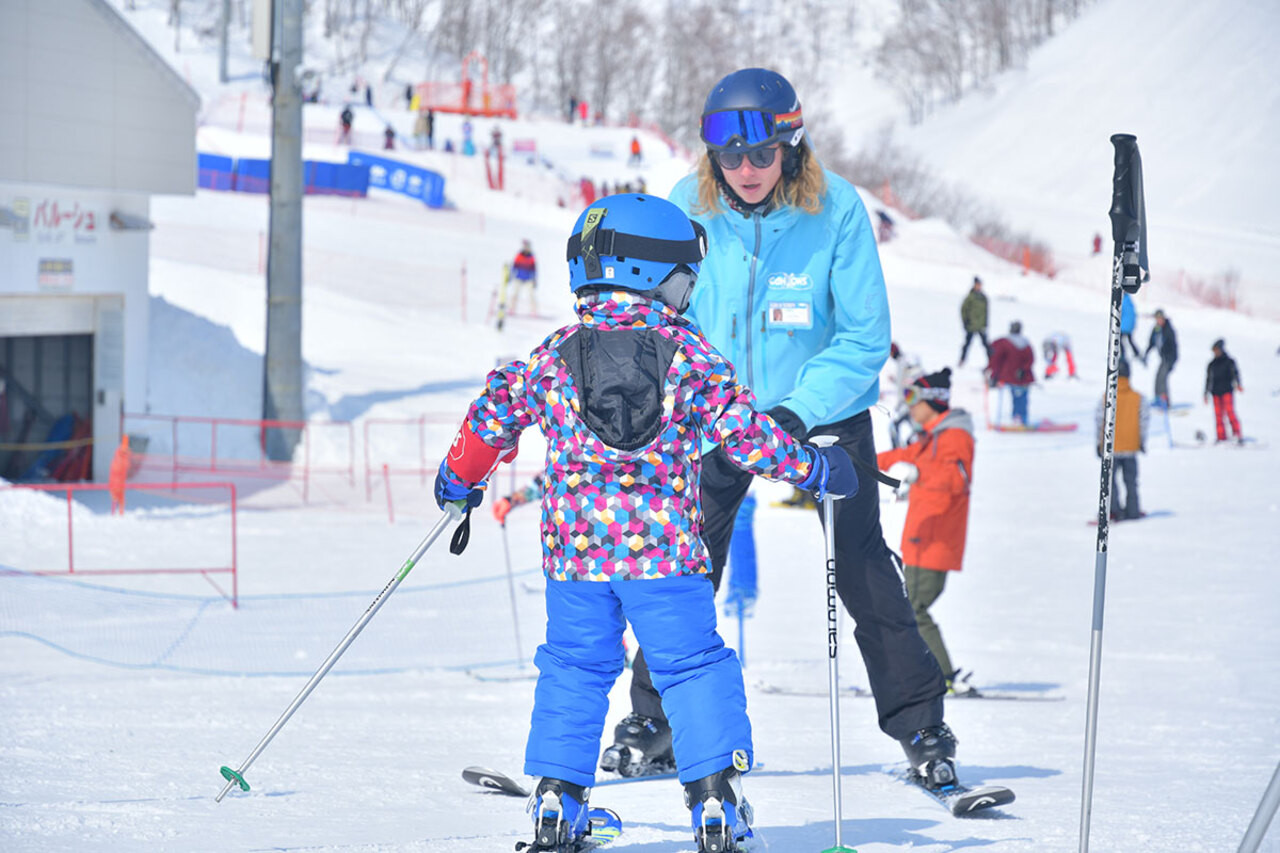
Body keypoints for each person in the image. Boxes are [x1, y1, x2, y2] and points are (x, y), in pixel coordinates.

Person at [432, 193, 856, 853]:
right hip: (665, 557)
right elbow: (745, 435)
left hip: (575, 558)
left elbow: (495, 409)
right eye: (684, 277)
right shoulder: (687, 353)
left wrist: (460, 477)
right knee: (691, 667)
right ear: (646, 270)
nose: (688, 294)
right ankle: (715, 803)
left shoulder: (554, 353)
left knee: (573, 666)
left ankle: (557, 802)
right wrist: (816, 469)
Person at [602, 67, 961, 795]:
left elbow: (865, 336)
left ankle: (922, 726)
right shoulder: (685, 207)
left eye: (762, 155)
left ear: (791, 147)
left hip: (820, 414)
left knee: (862, 567)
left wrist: (794, 413)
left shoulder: (836, 211)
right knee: (684, 566)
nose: (746, 170)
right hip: (715, 413)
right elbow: (663, 319)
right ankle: (655, 720)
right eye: (731, 157)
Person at [875, 368, 975, 691]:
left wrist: (918, 474)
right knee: (908, 608)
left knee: (913, 609)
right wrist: (855, 459)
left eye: (913, 398)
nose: (910, 406)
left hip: (936, 539)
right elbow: (898, 458)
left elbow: (956, 479)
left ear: (934, 401)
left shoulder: (955, 437)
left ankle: (943, 676)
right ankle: (925, 674)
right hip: (919, 537)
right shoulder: (930, 438)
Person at [1096, 359, 1148, 519]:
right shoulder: (1138, 397)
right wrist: (1141, 441)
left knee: (1110, 482)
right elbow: (1143, 421)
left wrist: (1099, 443)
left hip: (1112, 447)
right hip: (1131, 447)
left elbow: (1099, 421)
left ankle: (1113, 511)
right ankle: (1133, 510)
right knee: (1131, 481)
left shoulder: (1107, 396)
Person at [987, 321, 1035, 425]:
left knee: (997, 397)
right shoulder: (1026, 343)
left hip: (1006, 375)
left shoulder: (1002, 342)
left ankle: (996, 420)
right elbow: (1030, 359)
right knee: (1021, 399)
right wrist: (1024, 369)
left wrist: (993, 374)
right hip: (1022, 377)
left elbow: (995, 359)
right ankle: (1021, 418)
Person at [1204, 338, 1244, 443]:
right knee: (1218, 416)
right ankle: (1221, 437)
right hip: (1215, 393)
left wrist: (1238, 384)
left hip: (1227, 391)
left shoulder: (1229, 362)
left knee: (1230, 412)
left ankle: (1237, 434)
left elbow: (1235, 374)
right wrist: (1206, 393)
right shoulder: (1211, 364)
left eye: (1217, 350)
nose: (1215, 353)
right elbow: (1208, 379)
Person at [1144, 309, 1178, 408]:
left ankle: (1165, 402)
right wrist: (1146, 353)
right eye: (1157, 319)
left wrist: (1171, 360)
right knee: (1158, 377)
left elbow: (1172, 346)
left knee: (1162, 378)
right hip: (1163, 358)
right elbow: (1152, 342)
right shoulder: (1156, 329)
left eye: (1160, 318)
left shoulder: (1168, 329)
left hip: (1170, 358)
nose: (1158, 320)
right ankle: (1158, 399)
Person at [958, 276, 989, 367]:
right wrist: (965, 322)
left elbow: (985, 312)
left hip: (980, 325)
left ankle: (992, 362)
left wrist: (985, 323)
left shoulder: (983, 298)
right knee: (967, 344)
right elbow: (964, 310)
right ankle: (962, 360)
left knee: (986, 345)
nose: (979, 286)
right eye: (977, 285)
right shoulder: (970, 297)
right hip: (971, 325)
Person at [509, 239, 538, 316]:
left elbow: (534, 269)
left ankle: (534, 311)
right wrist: (510, 276)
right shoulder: (519, 255)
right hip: (519, 277)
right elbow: (514, 267)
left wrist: (534, 279)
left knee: (531, 295)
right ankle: (511, 309)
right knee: (515, 294)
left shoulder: (531, 257)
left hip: (528, 278)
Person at [108, 435, 131, 515]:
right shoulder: (120, 455)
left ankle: (119, 512)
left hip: (120, 480)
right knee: (116, 496)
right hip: (117, 480)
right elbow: (118, 468)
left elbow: (125, 467)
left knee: (120, 497)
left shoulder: (123, 455)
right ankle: (115, 512)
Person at [1120, 291, 1143, 365]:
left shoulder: (1123, 302)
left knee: (1119, 340)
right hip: (1130, 325)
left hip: (1124, 325)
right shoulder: (1129, 301)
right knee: (1130, 340)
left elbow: (1120, 313)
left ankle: (1122, 355)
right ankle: (1136, 352)